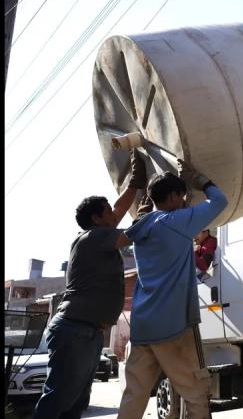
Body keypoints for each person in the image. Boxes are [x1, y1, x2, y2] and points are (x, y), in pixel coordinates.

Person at [33, 151, 146, 419]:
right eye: (107, 211)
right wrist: (146, 212)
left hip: (86, 332)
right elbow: (132, 233)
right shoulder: (94, 238)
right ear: (97, 218)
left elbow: (118, 212)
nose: (114, 213)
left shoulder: (96, 234)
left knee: (75, 401)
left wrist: (134, 184)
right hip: (75, 330)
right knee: (59, 397)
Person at [117, 160, 227, 419]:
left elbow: (166, 220)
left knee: (135, 394)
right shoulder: (178, 222)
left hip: (144, 325)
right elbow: (219, 201)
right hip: (175, 325)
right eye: (182, 195)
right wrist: (200, 180)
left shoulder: (142, 227)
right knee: (196, 392)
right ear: (174, 196)